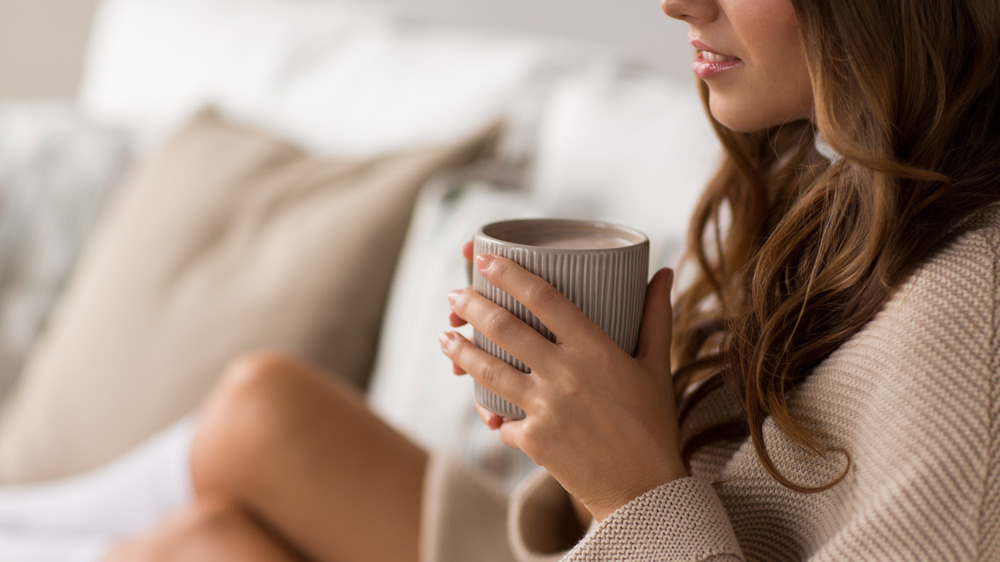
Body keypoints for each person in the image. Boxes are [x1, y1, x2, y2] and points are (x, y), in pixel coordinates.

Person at [1, 0, 998, 559]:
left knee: (214, 524)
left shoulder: (972, 344)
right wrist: (589, 461)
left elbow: (665, 512)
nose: (675, 1)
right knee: (241, 460)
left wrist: (630, 488)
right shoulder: (852, 193)